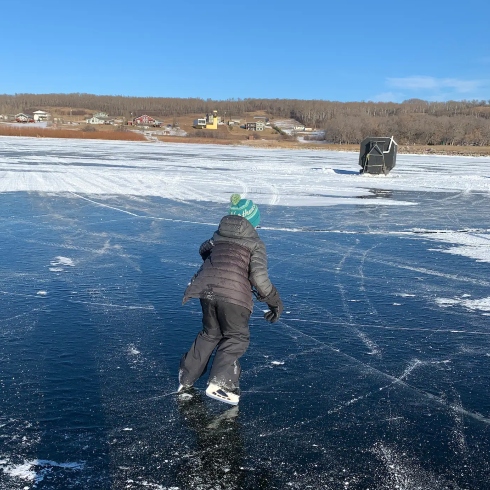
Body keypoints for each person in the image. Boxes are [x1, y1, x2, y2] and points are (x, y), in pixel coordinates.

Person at [179, 194, 284, 405]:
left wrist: (217, 262)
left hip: (205, 289)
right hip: (234, 296)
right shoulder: (255, 243)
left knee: (210, 333)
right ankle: (221, 383)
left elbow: (203, 248)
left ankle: (186, 378)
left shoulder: (217, 237)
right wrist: (274, 302)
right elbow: (259, 278)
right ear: (253, 221)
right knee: (236, 337)